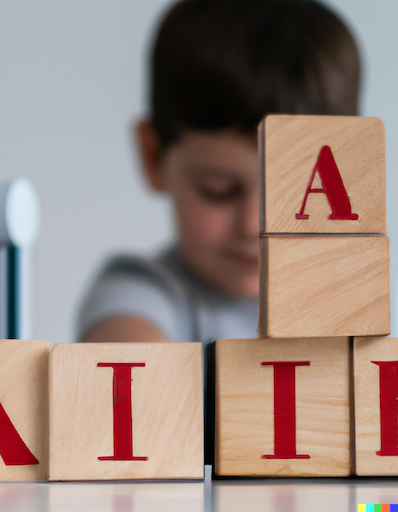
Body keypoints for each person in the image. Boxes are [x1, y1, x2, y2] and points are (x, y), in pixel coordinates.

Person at [77, 0, 360, 344]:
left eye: (297, 191)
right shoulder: (141, 293)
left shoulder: (357, 299)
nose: (255, 224)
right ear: (153, 157)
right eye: (219, 189)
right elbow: (122, 353)